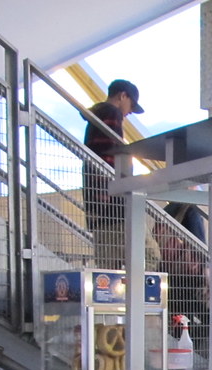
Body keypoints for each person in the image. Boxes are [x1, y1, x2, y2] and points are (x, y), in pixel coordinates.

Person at [81, 78, 159, 270]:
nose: (130, 111)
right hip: (114, 205)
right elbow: (113, 156)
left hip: (97, 206)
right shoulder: (112, 113)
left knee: (108, 270)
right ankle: (135, 296)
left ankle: (123, 295)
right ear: (122, 96)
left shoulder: (95, 118)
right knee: (151, 256)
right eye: (131, 104)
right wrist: (126, 185)